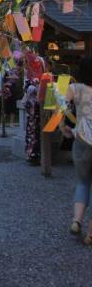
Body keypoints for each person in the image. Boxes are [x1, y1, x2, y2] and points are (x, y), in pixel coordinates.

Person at [62, 56, 92, 245]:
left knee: (83, 182)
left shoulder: (74, 88)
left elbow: (61, 106)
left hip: (81, 138)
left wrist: (64, 126)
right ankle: (90, 234)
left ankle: (76, 220)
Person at [23, 78, 41, 162]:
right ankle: (33, 155)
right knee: (34, 136)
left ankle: (31, 154)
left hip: (32, 119)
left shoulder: (28, 100)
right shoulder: (33, 90)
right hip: (35, 118)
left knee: (32, 136)